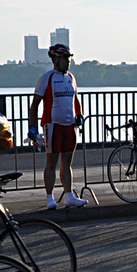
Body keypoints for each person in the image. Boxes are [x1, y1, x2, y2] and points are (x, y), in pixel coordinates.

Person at [28, 42, 89, 209]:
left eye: (69, 59)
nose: (68, 62)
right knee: (51, 162)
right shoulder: (46, 78)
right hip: (52, 125)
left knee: (67, 162)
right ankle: (50, 197)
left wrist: (80, 115)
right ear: (56, 60)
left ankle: (69, 195)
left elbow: (76, 100)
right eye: (65, 58)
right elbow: (35, 105)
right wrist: (32, 126)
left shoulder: (71, 78)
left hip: (69, 126)